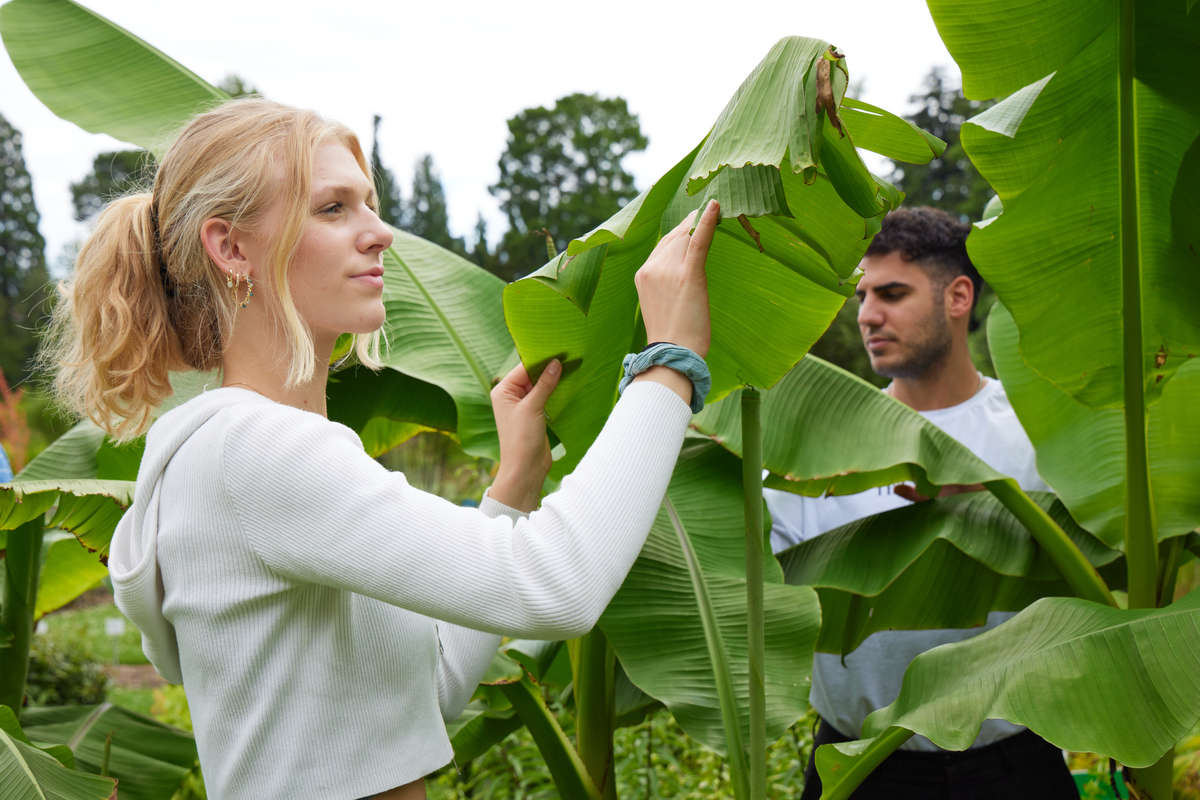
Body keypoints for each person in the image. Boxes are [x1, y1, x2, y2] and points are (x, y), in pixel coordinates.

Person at [43, 97, 720, 800]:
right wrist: (668, 367)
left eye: (368, 203)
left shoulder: (250, 455)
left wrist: (513, 487)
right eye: (333, 208)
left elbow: (421, 700)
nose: (381, 233)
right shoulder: (253, 452)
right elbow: (557, 585)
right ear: (232, 247)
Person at [767, 207, 1079, 799]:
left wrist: (995, 508)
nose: (866, 315)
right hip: (857, 767)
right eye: (861, 296)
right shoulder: (816, 444)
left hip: (1011, 763)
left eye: (891, 293)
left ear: (958, 296)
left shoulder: (1037, 430)